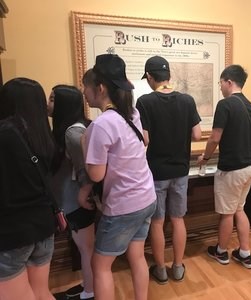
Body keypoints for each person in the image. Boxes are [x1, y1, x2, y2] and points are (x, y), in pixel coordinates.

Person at [81, 54, 156, 300]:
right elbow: (143, 141)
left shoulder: (102, 124)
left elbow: (96, 173)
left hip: (124, 205)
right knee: (136, 256)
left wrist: (84, 146)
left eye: (86, 87)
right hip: (146, 197)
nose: (84, 92)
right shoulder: (131, 113)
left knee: (100, 265)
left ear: (100, 88)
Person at [136, 55, 202, 284]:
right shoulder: (187, 100)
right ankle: (177, 266)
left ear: (151, 77)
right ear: (169, 76)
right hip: (181, 170)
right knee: (177, 219)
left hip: (156, 171)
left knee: (157, 221)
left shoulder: (145, 102)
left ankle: (161, 269)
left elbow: (144, 139)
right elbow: (196, 134)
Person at [198, 65, 251, 269]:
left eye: (221, 83)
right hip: (250, 167)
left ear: (229, 82)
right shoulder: (249, 104)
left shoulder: (225, 105)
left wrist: (205, 157)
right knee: (239, 209)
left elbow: (215, 137)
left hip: (232, 169)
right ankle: (245, 253)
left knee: (226, 213)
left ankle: (221, 252)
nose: (221, 87)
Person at [0, 78, 56, 300]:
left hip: (13, 230)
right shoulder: (43, 134)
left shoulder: (5, 134)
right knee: (41, 292)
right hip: (43, 224)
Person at [49, 85, 96, 300]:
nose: (47, 104)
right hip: (72, 198)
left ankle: (90, 292)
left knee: (86, 248)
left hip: (78, 200)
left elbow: (85, 167)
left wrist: (83, 194)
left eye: (52, 99)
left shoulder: (73, 132)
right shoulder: (71, 129)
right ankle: (88, 284)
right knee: (85, 247)